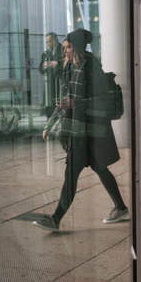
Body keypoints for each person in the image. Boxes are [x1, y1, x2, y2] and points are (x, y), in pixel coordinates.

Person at [33, 28, 128, 232]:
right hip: (78, 129)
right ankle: (120, 207)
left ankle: (55, 219)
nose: (64, 51)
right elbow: (65, 101)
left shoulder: (92, 68)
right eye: (64, 47)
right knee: (100, 168)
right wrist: (50, 125)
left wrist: (76, 104)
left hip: (90, 131)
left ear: (76, 47)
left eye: (68, 47)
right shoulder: (69, 68)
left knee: (72, 175)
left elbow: (102, 99)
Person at [39, 32, 64, 117]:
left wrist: (58, 63)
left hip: (60, 82)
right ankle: (49, 125)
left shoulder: (63, 50)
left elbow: (68, 64)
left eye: (50, 41)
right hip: (49, 83)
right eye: (47, 42)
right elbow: (41, 69)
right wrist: (43, 67)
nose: (48, 44)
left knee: (59, 105)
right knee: (49, 105)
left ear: (56, 40)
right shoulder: (46, 53)